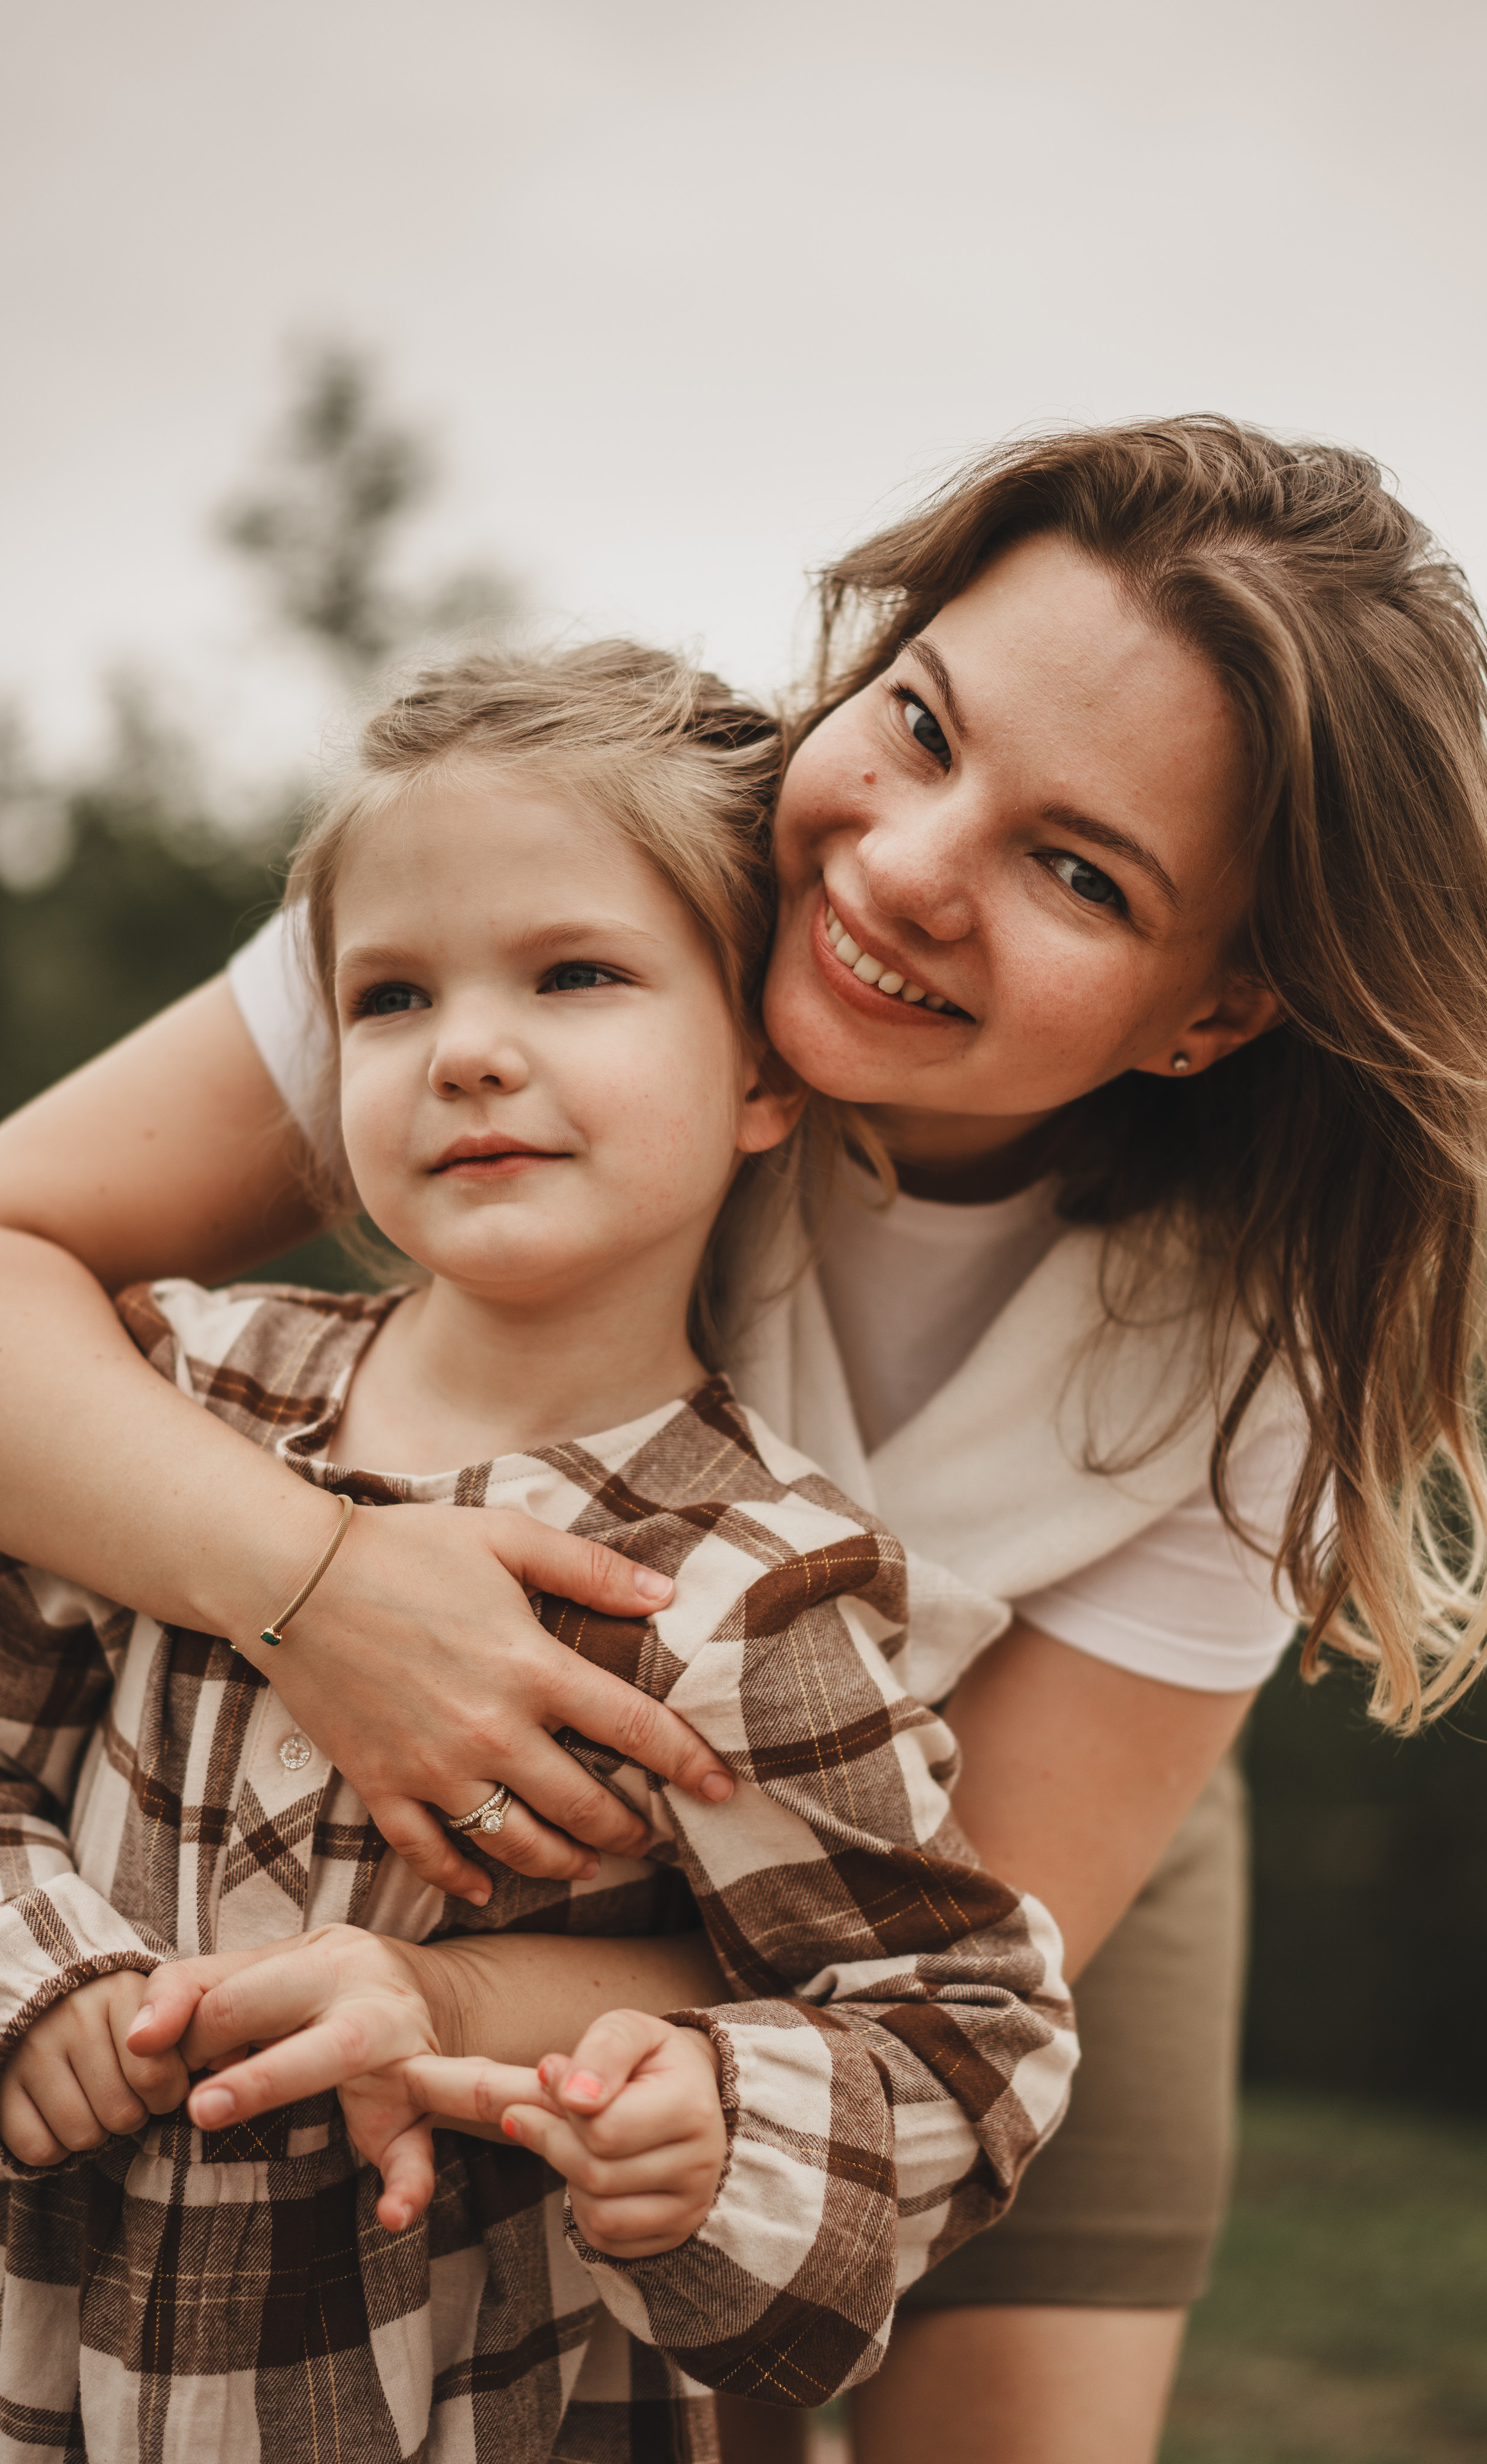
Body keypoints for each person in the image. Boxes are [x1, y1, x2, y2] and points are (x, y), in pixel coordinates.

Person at [0, 418, 1487, 2464]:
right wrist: (320, 1591)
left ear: (1213, 1011)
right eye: (921, 725)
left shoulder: (1257, 1341)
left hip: (974, 1846)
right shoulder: (567, 882)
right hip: (399, 1743)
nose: (903, 869)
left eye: (1079, 870)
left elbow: (941, 1977)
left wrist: (474, 2013)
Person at [0, 644, 1076, 2463]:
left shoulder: (757, 1581)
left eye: (576, 975)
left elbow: (961, 2024)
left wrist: (716, 2118)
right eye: (394, 995)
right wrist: (41, 1978)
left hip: (485, 2397)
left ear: (762, 1072)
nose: (472, 1047)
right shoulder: (172, 1391)